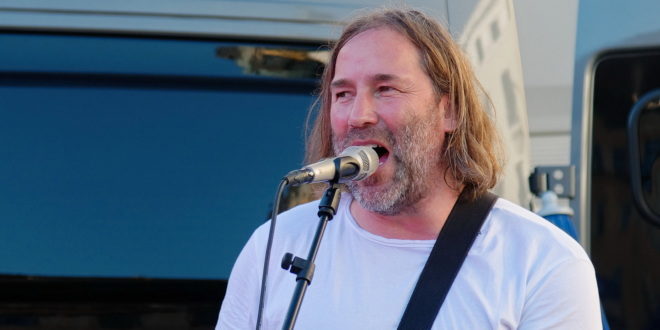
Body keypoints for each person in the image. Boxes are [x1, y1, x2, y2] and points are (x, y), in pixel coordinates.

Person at [217, 8, 602, 329]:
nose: (358, 116)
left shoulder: (542, 262)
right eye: (343, 94)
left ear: (449, 110)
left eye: (386, 89)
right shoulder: (276, 244)